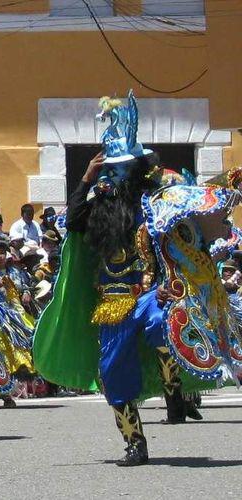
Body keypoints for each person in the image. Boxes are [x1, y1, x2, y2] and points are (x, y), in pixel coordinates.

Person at [33, 92, 228, 466]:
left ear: (135, 171)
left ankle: (174, 384)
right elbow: (72, 220)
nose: (110, 176)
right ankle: (135, 443)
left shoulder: (153, 204)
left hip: (152, 293)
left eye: (117, 169)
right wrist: (86, 178)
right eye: (107, 170)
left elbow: (186, 226)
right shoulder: (96, 210)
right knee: (113, 373)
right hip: (111, 304)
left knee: (162, 324)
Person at [0, 236, 35, 408]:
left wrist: (26, 292)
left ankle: (26, 384)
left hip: (18, 317)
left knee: (27, 346)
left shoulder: (15, 272)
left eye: (2, 253)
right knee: (3, 352)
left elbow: (24, 286)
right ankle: (6, 394)